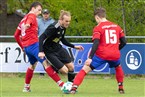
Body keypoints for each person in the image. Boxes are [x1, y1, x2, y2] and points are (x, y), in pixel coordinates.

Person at [69, 7, 126, 94]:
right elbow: (124, 42)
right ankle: (121, 87)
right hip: (114, 54)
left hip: (102, 54)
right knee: (118, 67)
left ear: (97, 17)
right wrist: (116, 49)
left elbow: (96, 43)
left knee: (85, 69)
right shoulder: (116, 26)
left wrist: (90, 57)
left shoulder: (98, 28)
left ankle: (74, 88)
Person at [14, 2, 64, 92]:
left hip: (27, 47)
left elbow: (16, 35)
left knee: (32, 65)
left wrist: (22, 47)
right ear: (33, 8)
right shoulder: (32, 16)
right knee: (46, 64)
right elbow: (30, 20)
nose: (40, 12)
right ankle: (62, 85)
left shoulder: (23, 19)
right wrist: (28, 24)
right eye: (39, 10)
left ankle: (26, 87)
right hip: (34, 45)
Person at [38, 10, 84, 83]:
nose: (68, 23)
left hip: (58, 48)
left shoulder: (63, 27)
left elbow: (62, 39)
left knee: (71, 67)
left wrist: (74, 46)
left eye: (69, 21)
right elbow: (41, 37)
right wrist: (40, 51)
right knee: (65, 71)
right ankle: (51, 67)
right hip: (49, 51)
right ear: (61, 20)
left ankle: (71, 86)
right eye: (66, 21)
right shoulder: (54, 26)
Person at [37, 9, 55, 76]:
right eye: (44, 13)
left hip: (49, 42)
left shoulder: (52, 22)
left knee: (50, 56)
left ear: (49, 14)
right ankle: (42, 72)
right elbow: (37, 31)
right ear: (42, 14)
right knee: (42, 56)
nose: (45, 15)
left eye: (47, 13)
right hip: (40, 41)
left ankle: (52, 70)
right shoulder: (38, 21)